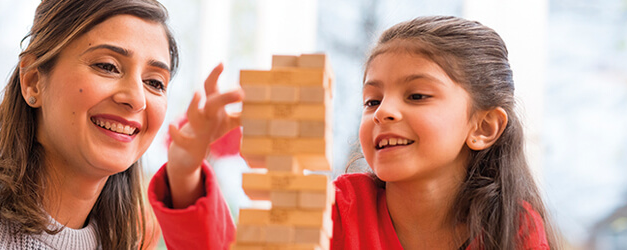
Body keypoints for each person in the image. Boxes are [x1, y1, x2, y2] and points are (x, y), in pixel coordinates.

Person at [151, 16, 559, 249]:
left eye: (416, 95)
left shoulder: (512, 228)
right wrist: (184, 172)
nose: (385, 112)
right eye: (371, 101)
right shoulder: (334, 211)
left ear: (483, 126)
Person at [0, 0, 240, 249]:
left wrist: (186, 172)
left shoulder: (126, 239)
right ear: (32, 82)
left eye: (154, 82)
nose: (136, 98)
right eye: (107, 66)